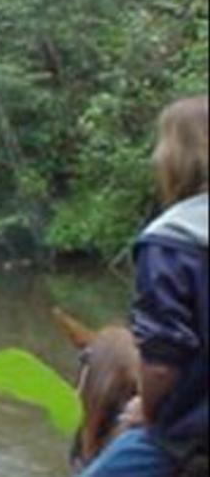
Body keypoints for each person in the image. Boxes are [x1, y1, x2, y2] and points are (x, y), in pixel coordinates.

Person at [81, 96, 209, 477]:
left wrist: (150, 412)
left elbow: (162, 362)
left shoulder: (172, 240)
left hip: (192, 434)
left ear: (175, 158)